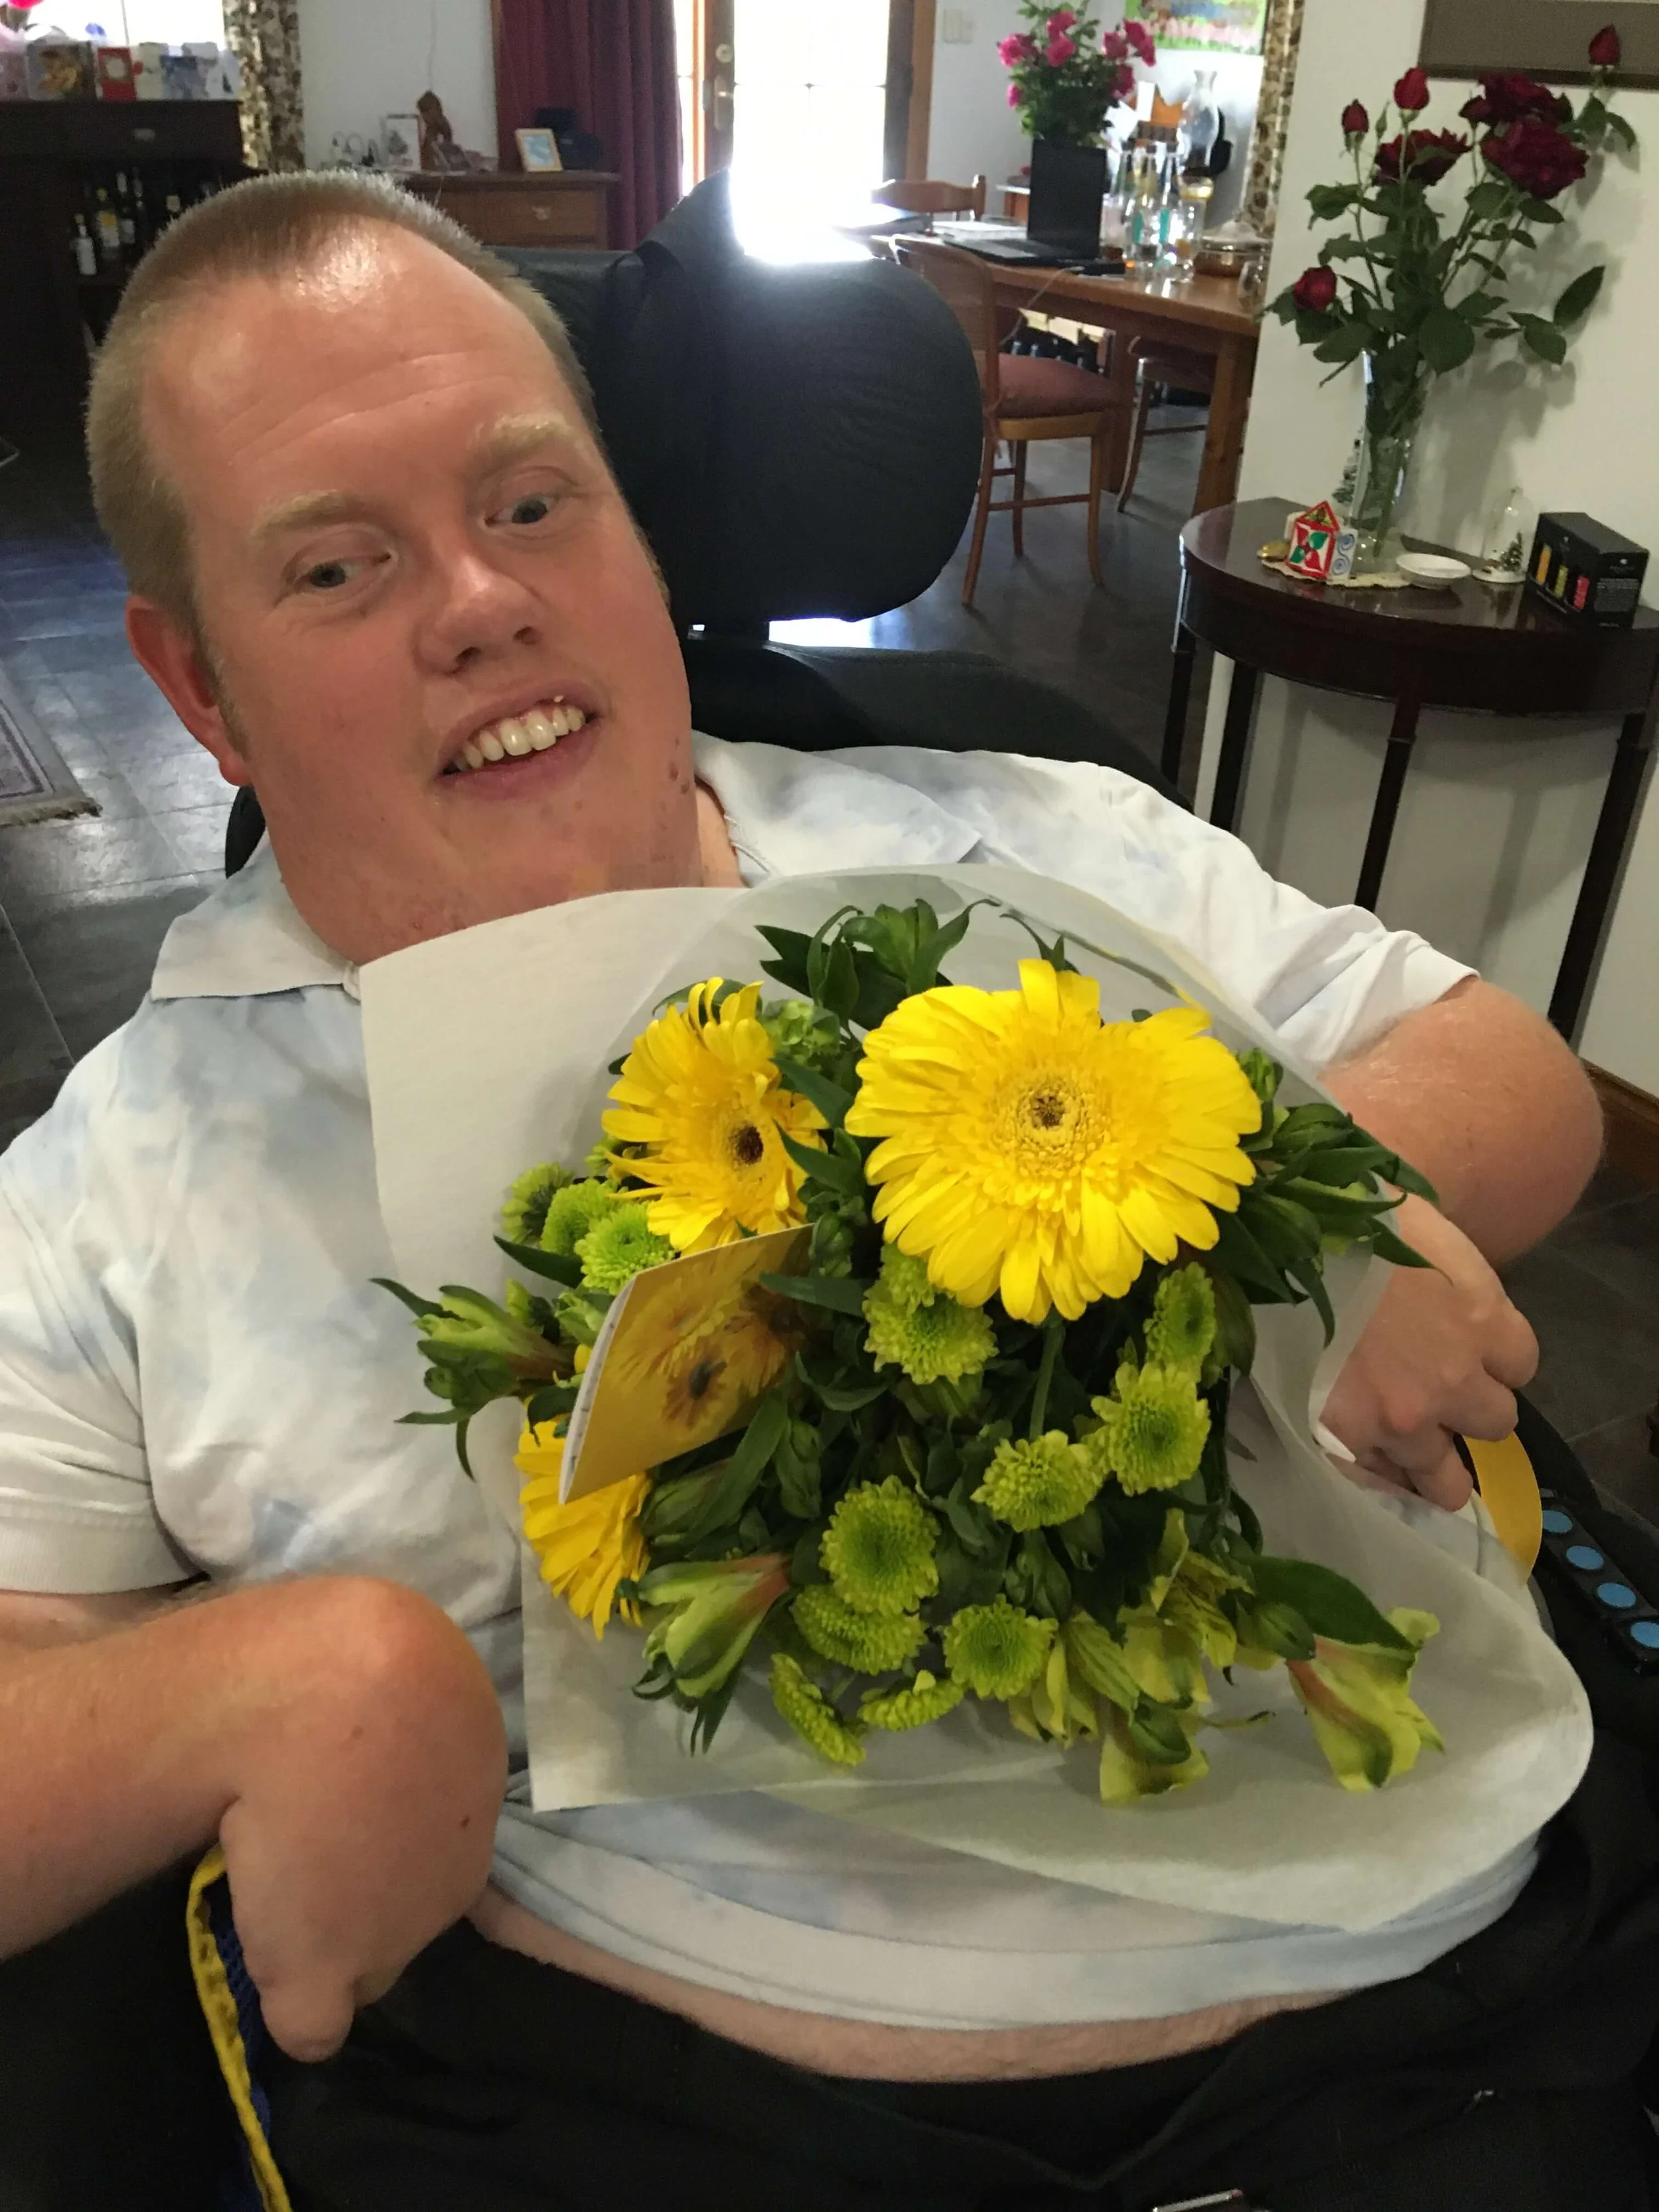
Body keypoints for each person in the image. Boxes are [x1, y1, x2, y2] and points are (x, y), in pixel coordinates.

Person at [0, 171, 1645, 2212]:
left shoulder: (1026, 834)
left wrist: (1295, 1195)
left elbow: (1512, 1074)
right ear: (200, 690)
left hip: (1464, 2031)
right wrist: (297, 1675)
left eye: (531, 506)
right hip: (692, 2128)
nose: (479, 601)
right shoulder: (135, 1158)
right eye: (337, 569)